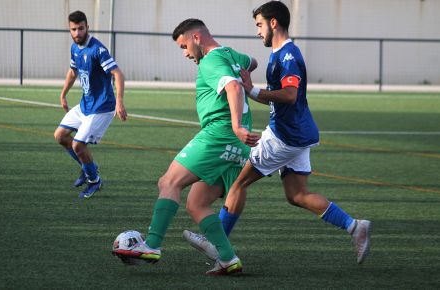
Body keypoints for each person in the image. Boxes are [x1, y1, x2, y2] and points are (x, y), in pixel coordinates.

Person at [184, 1, 372, 265]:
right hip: (297, 134)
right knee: (297, 195)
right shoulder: (279, 54)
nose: (258, 31)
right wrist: (253, 90)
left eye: (259, 25)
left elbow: (290, 95)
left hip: (286, 135)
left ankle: (217, 245)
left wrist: (252, 91)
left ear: (274, 23)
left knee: (238, 182)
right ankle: (355, 226)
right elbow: (279, 98)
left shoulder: (288, 55)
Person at [112, 18, 260, 275]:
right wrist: (243, 73)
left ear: (196, 38)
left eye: (184, 46)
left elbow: (234, 87)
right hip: (237, 148)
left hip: (219, 134)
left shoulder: (212, 60)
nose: (185, 54)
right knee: (196, 202)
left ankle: (153, 245)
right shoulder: (231, 55)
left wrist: (236, 124)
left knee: (168, 182)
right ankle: (227, 258)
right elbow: (252, 62)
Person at [54, 10, 127, 198]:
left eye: (81, 28)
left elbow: (117, 74)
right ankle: (88, 168)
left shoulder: (98, 50)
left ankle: (95, 181)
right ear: (69, 30)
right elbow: (72, 72)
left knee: (78, 146)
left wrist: (119, 101)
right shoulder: (74, 48)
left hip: (102, 107)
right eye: (73, 29)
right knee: (60, 136)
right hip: (85, 105)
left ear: (87, 27)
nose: (77, 33)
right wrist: (63, 94)